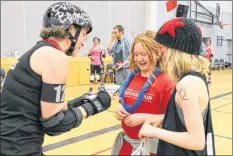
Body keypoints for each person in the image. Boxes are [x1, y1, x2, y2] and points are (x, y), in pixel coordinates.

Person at [0, 2, 111, 155]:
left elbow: (42, 107)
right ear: (71, 29)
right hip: (19, 148)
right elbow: (54, 124)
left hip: (10, 144)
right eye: (84, 34)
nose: (84, 41)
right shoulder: (55, 56)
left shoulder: (39, 51)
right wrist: (94, 107)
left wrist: (78, 102)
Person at [138, 17, 215, 155]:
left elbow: (197, 141)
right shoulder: (195, 78)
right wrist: (163, 118)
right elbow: (189, 120)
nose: (162, 58)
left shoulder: (186, 85)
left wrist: (155, 131)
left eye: (163, 52)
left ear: (174, 52)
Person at [111, 31, 175, 155]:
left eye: (144, 54)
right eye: (135, 54)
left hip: (152, 148)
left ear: (157, 54)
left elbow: (173, 119)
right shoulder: (132, 77)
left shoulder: (166, 82)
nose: (139, 59)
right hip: (127, 145)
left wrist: (144, 118)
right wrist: (119, 110)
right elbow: (124, 103)